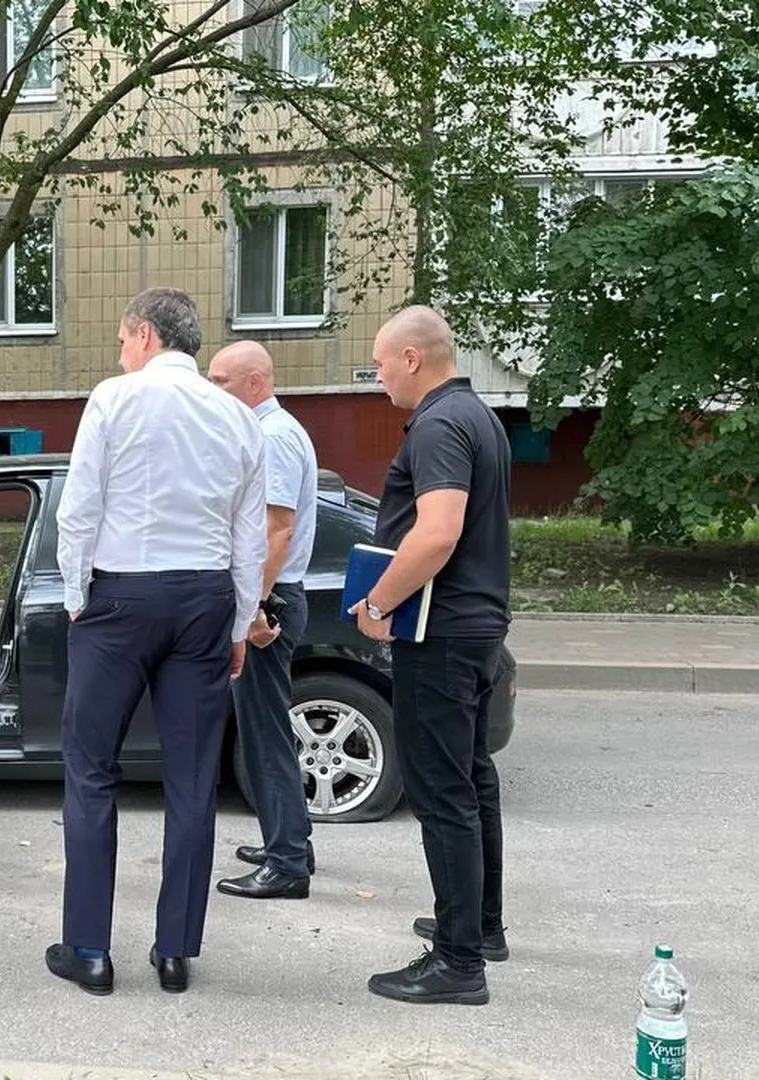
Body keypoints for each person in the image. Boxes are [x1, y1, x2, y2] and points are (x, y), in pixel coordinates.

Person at [46, 287, 267, 996]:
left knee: (90, 769)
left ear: (144, 334)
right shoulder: (237, 416)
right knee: (192, 778)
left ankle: (88, 950)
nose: (119, 350)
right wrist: (238, 622)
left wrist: (78, 597)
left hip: (120, 595)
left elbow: (80, 505)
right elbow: (249, 534)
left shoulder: (114, 399)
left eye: (121, 336)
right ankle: (175, 951)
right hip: (203, 598)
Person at [349, 305, 512, 1006]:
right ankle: (480, 926)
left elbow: (437, 533)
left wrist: (379, 603)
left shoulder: (441, 424)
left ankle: (456, 963)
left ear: (412, 358)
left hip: (440, 633)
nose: (379, 376)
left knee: (443, 794)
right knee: (472, 780)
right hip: (474, 630)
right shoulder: (478, 416)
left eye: (381, 363)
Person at [206, 340, 318, 900]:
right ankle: (292, 837)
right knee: (269, 727)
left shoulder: (272, 438)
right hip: (276, 596)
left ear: (255, 383)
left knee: (264, 736)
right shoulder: (273, 431)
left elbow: (278, 531)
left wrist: (252, 607)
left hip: (270, 602)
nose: (211, 389)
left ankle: (287, 864)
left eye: (221, 380)